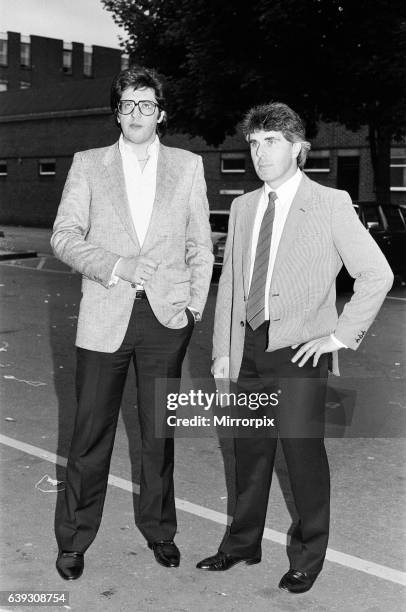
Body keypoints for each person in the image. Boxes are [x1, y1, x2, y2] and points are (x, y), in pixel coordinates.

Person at [196, 102, 393, 593]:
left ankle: (309, 554)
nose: (261, 153)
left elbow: (377, 274)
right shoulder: (243, 207)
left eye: (272, 142)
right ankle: (241, 544)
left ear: (298, 148)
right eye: (255, 143)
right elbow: (234, 287)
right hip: (249, 348)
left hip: (301, 353)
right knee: (249, 451)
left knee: (302, 457)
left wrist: (340, 337)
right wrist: (224, 349)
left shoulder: (329, 202)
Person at [52, 66, 213, 580]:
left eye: (146, 105)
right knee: (89, 433)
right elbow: (64, 235)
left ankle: (161, 530)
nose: (136, 114)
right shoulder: (88, 165)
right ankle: (75, 539)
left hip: (166, 318)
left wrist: (193, 307)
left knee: (156, 435)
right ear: (117, 112)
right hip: (106, 312)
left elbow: (200, 244)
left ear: (161, 113)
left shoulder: (187, 166)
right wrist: (115, 266)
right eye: (127, 105)